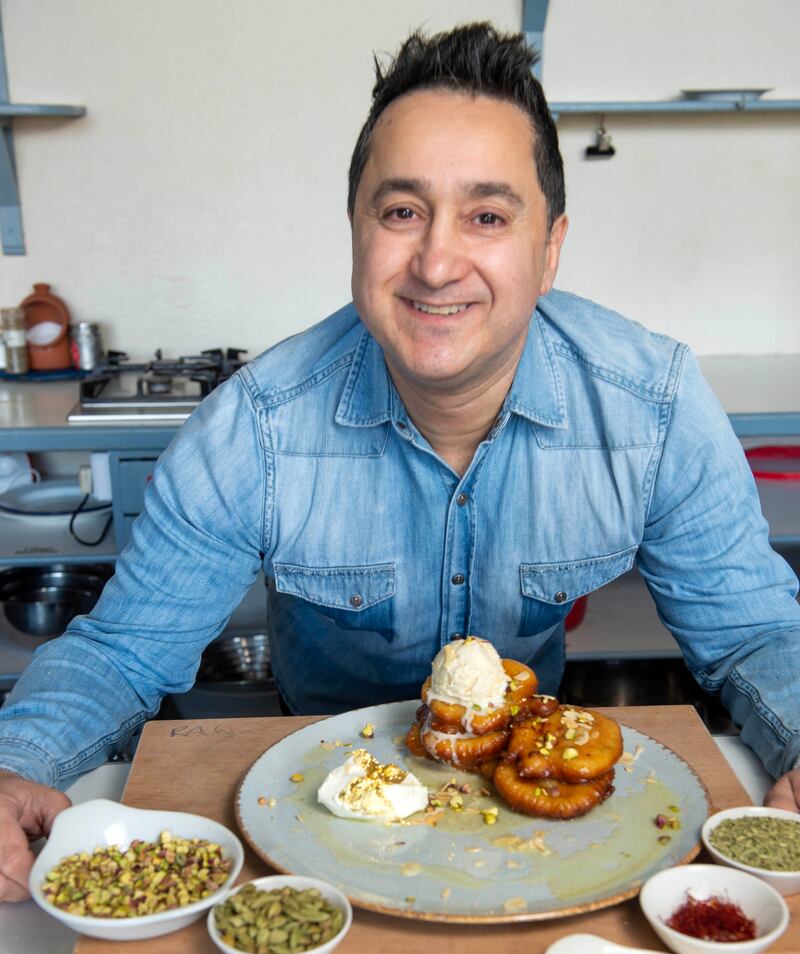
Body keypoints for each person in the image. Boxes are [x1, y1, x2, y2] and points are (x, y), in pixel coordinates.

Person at [1, 23, 798, 902]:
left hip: (539, 835)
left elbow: (757, 632)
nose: (436, 261)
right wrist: (15, 764)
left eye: (488, 216)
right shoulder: (255, 429)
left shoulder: (652, 408)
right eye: (402, 210)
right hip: (314, 824)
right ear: (357, 229)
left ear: (551, 246)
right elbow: (121, 653)